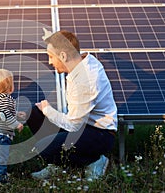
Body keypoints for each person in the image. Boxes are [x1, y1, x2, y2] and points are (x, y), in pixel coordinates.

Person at [27, 30, 118, 180]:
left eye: (51, 56)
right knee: (33, 113)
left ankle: (95, 161)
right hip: (82, 124)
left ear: (63, 56)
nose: (49, 62)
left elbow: (74, 125)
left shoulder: (86, 80)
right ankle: (58, 164)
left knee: (44, 146)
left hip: (99, 133)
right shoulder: (80, 63)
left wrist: (48, 110)